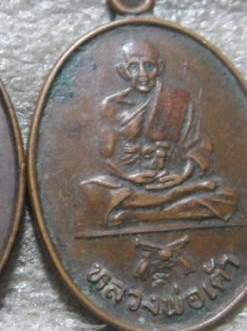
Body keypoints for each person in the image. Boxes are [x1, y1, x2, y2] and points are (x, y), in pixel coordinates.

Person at [76, 41, 237, 231]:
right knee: (93, 192)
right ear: (122, 71)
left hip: (171, 182)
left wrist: (182, 176)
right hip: (131, 186)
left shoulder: (178, 100)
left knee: (226, 195)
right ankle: (164, 208)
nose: (142, 74)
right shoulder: (112, 106)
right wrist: (129, 177)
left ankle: (140, 215)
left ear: (159, 68)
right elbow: (106, 158)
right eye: (133, 67)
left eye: (149, 66)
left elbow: (198, 146)